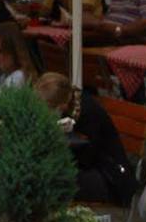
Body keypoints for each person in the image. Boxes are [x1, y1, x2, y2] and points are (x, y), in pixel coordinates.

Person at [36, 71, 134, 206]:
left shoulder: (87, 112)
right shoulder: (73, 104)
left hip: (110, 179)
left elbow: (87, 158)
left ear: (61, 106)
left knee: (52, 182)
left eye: (47, 109)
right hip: (93, 169)